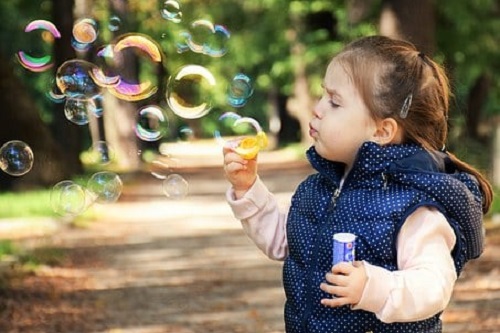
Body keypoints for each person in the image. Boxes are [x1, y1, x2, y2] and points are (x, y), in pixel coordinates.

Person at [222, 35, 493, 333]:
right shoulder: (318, 189)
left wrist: (372, 287)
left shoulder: (412, 207)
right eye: (323, 95)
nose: (317, 108)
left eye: (335, 102)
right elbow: (284, 242)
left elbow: (434, 285)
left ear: (381, 131)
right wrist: (248, 188)